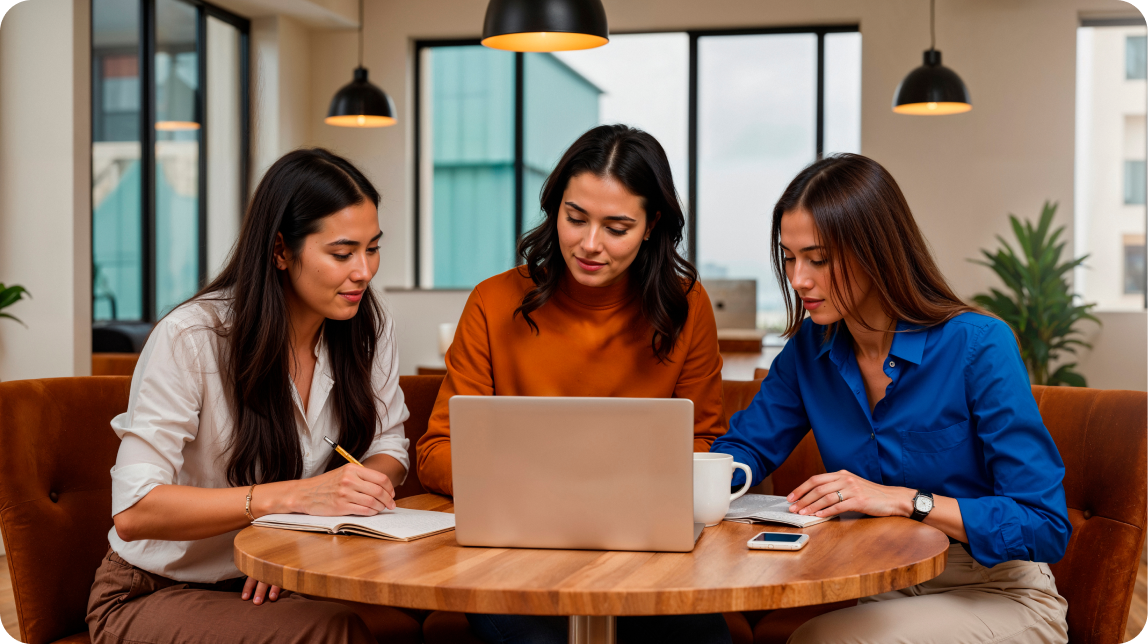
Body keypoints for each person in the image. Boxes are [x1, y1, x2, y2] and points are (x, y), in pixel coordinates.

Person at [711, 153, 1071, 644]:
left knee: (820, 642)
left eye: (818, 259)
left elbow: (1043, 524)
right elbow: (749, 447)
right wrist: (704, 481)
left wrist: (903, 501)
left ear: (877, 252)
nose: (798, 279)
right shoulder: (807, 352)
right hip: (884, 586)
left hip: (995, 592)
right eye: (789, 257)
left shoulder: (979, 345)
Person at [86, 148, 419, 644]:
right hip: (152, 590)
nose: (365, 272)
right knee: (333, 632)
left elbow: (390, 450)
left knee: (412, 618)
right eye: (342, 253)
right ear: (280, 250)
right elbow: (135, 511)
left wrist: (301, 526)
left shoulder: (367, 326)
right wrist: (291, 503)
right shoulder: (193, 337)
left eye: (373, 248)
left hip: (280, 578)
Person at [416, 124, 732, 644]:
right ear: (554, 209)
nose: (589, 244)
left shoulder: (686, 306)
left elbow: (702, 445)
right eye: (575, 218)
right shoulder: (493, 302)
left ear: (652, 225)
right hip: (512, 555)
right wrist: (549, 487)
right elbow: (436, 453)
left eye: (617, 227)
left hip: (646, 551)